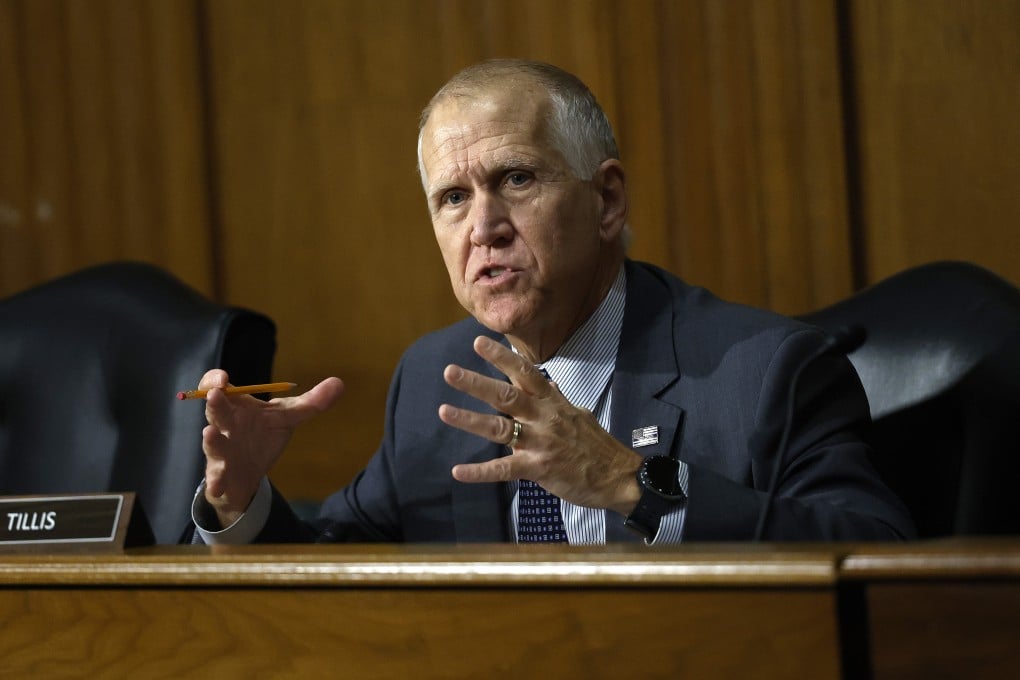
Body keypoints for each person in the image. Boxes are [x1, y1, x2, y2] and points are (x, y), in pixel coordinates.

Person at [190, 59, 914, 545]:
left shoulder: (766, 374)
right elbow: (331, 573)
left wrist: (633, 482)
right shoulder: (431, 379)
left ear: (607, 200)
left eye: (516, 179)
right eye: (452, 198)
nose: (484, 228)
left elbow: (878, 560)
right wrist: (242, 499)